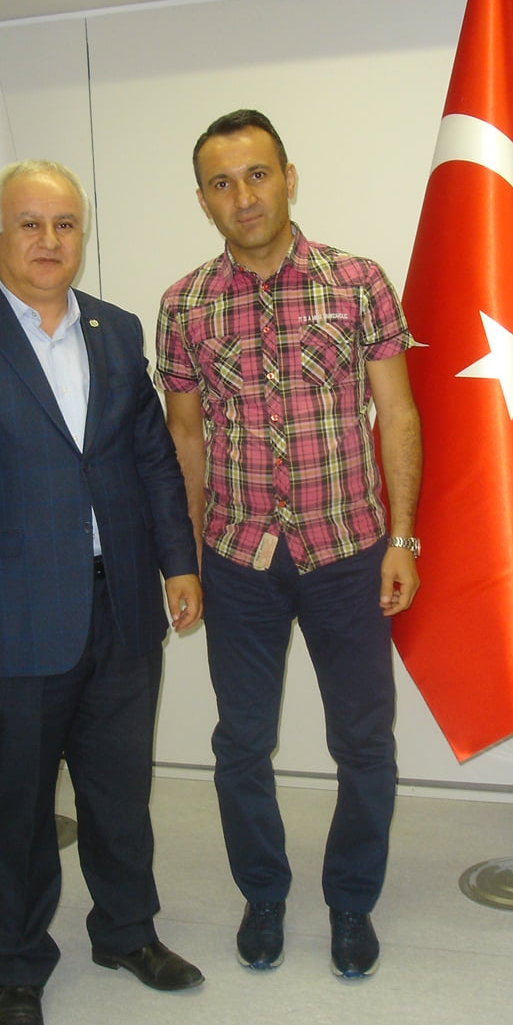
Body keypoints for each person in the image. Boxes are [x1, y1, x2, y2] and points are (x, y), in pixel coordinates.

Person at [0, 159, 205, 1025]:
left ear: (82, 234)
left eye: (64, 224)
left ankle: (126, 932)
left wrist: (178, 564)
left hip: (123, 610)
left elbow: (151, 460)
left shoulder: (115, 330)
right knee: (20, 803)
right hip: (13, 621)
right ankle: (19, 963)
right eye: (29, 224)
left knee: (120, 789)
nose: (48, 241)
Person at [157, 110, 421, 980]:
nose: (244, 196)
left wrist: (402, 537)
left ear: (289, 177)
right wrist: (186, 559)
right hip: (239, 560)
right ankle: (263, 893)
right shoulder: (184, 304)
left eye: (258, 174)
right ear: (204, 200)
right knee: (240, 742)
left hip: (348, 551)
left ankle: (352, 900)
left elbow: (398, 413)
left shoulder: (358, 282)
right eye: (223, 183)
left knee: (364, 741)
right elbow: (185, 436)